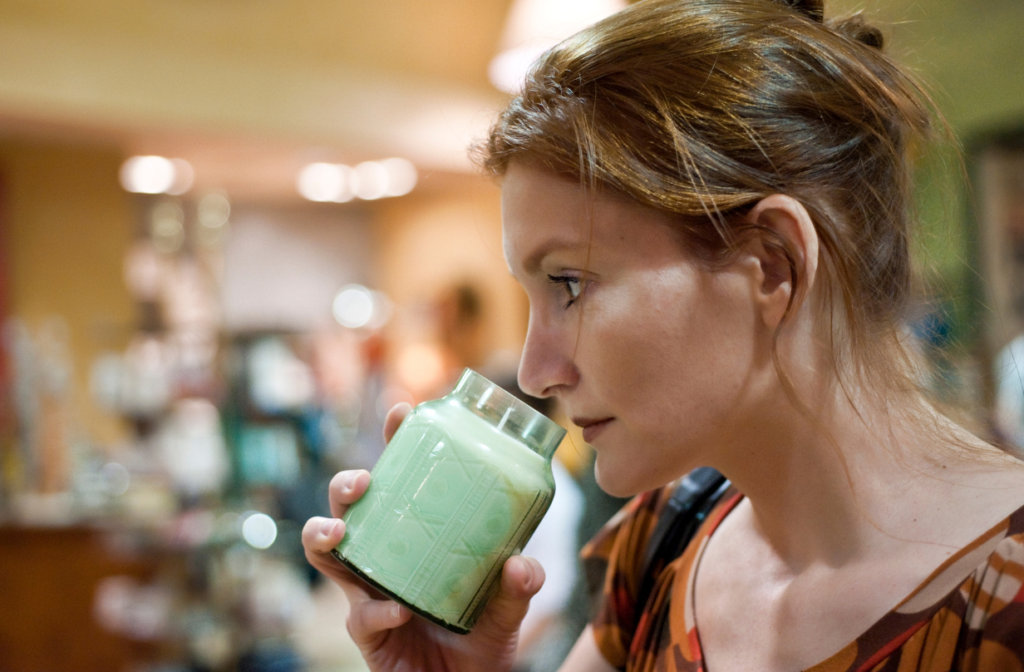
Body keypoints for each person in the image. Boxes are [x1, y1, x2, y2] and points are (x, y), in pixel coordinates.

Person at [302, 0, 1024, 670]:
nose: (533, 371)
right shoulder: (658, 550)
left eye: (570, 284)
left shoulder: (1004, 607)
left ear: (772, 265)